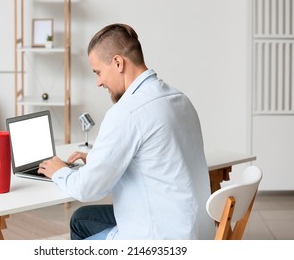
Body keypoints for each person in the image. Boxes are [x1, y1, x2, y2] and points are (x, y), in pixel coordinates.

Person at [38, 23, 215, 240]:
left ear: (118, 63)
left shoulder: (127, 112)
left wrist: (58, 171)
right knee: (81, 219)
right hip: (196, 231)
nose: (98, 82)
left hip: (159, 240)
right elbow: (157, 156)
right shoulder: (179, 99)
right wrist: (98, 159)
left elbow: (88, 189)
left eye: (98, 72)